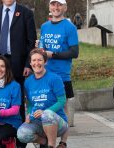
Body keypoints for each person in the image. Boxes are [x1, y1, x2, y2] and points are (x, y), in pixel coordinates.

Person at [0, 0, 37, 124]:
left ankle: (19, 137)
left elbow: (31, 41)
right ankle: (2, 134)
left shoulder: (26, 13)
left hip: (17, 63)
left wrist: (28, 64)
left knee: (17, 100)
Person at [37, 0, 79, 147]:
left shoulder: (70, 27)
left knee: (64, 108)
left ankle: (63, 142)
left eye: (59, 5)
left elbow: (75, 52)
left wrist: (52, 54)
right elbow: (43, 47)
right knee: (47, 106)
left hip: (62, 75)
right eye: (53, 4)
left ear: (65, 7)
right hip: (45, 74)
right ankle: (48, 140)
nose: (56, 7)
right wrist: (40, 49)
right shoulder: (44, 26)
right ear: (49, 7)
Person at [17, 49, 68, 148]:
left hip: (58, 123)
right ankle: (44, 141)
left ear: (45, 61)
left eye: (40, 60)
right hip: (39, 121)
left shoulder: (54, 78)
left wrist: (44, 112)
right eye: (34, 60)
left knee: (47, 114)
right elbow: (30, 103)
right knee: (22, 134)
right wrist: (29, 114)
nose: (37, 63)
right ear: (30, 63)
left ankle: (51, 145)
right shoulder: (28, 82)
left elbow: (62, 101)